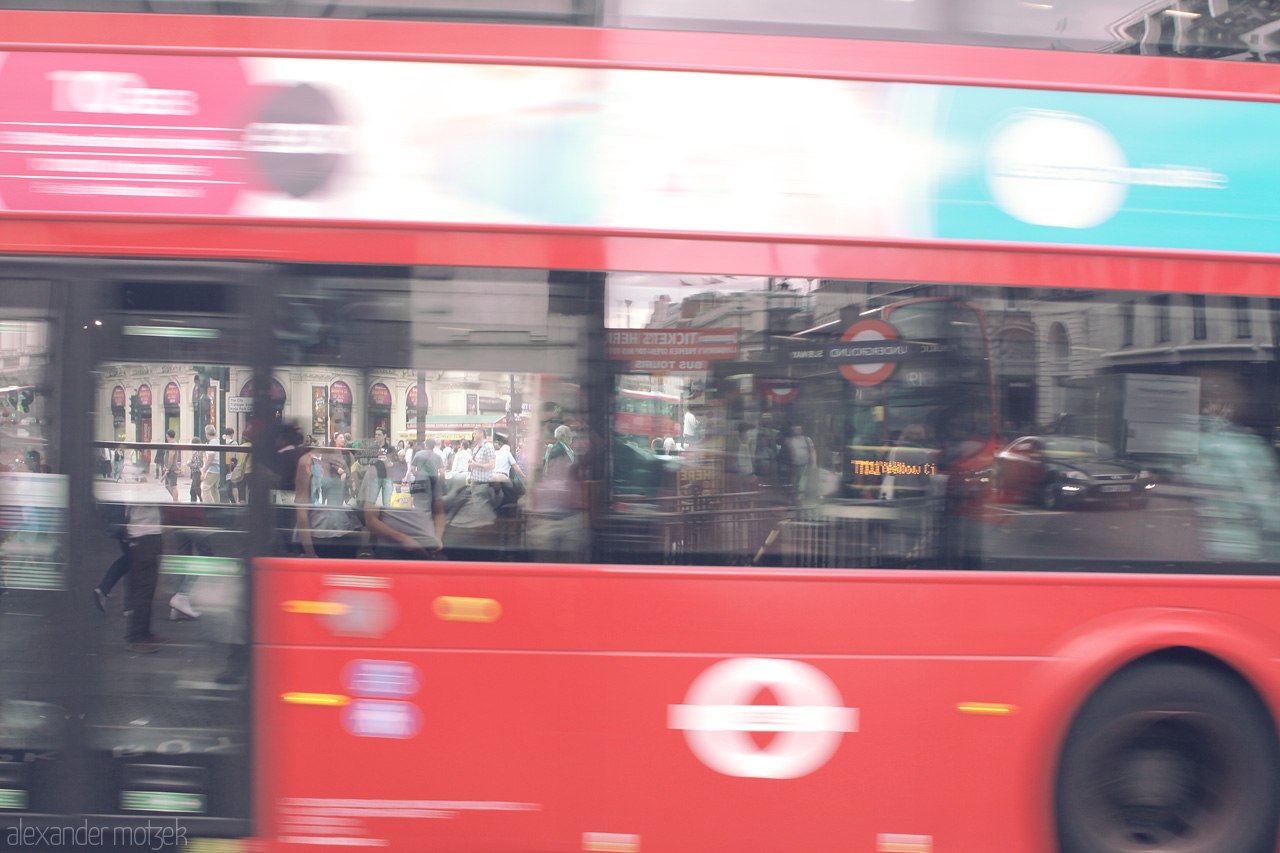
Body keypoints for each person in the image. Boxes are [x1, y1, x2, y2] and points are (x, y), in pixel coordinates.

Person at [359, 452, 445, 559]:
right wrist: (403, 539)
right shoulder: (377, 471)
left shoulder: (430, 478)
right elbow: (371, 520)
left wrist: (437, 537)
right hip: (391, 550)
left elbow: (439, 512)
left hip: (426, 546)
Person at [782, 423, 816, 496]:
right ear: (791, 430)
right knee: (792, 483)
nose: (796, 431)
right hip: (792, 465)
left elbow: (813, 451)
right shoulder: (788, 440)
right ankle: (792, 497)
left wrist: (814, 464)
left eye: (798, 429)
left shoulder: (807, 439)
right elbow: (785, 453)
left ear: (801, 430)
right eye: (794, 429)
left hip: (805, 465)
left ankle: (800, 497)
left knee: (802, 483)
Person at [201, 424, 221, 503]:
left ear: (206, 433)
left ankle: (209, 506)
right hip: (219, 468)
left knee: (205, 487)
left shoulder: (212, 443)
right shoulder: (218, 441)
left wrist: (204, 471)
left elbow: (210, 459)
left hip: (213, 468)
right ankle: (217, 505)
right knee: (214, 489)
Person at [218, 426, 238, 503]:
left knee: (224, 481)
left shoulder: (222, 440)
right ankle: (235, 500)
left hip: (223, 463)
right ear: (232, 434)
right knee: (233, 483)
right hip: (231, 463)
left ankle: (226, 497)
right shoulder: (234, 443)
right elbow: (235, 454)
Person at [162, 429, 181, 501]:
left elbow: (171, 457)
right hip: (169, 468)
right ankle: (176, 499)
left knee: (173, 486)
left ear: (167, 435)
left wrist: (168, 468)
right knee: (167, 485)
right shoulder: (171, 443)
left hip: (172, 468)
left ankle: (176, 501)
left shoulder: (172, 444)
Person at [187, 436, 204, 502]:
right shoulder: (200, 452)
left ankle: (202, 502)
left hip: (196, 473)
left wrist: (189, 464)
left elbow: (197, 465)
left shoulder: (196, 453)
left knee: (197, 490)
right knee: (193, 491)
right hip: (197, 473)